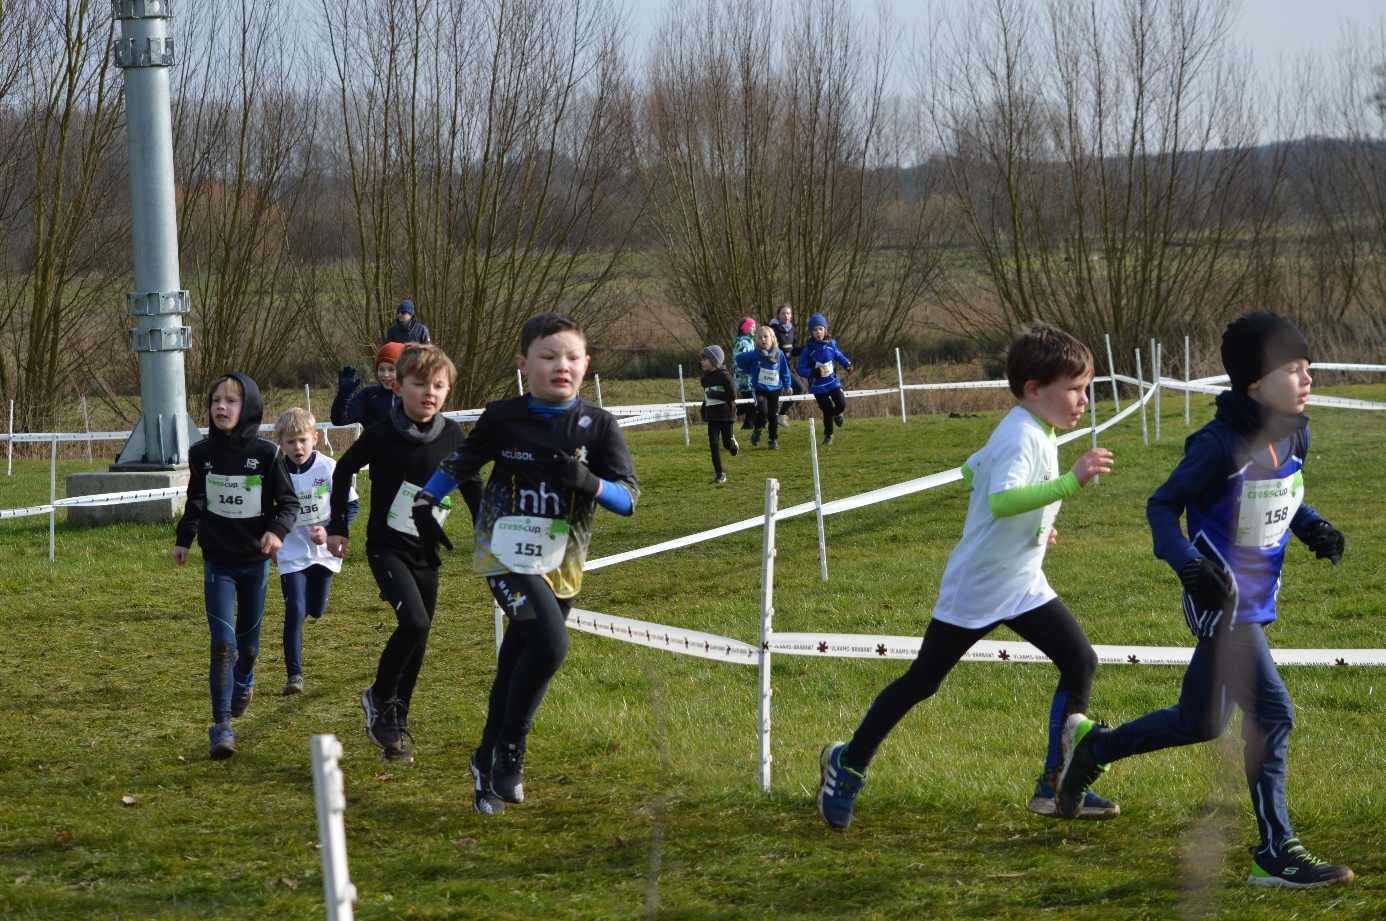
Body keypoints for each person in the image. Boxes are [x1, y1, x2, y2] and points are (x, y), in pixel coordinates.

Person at [1057, 312, 1354, 889]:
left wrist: (1313, 526)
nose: (1307, 378)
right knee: (1273, 716)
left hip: (1258, 598)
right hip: (1221, 601)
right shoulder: (1216, 445)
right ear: (1253, 384)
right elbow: (1162, 507)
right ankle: (1275, 852)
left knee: (1200, 721)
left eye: (1307, 367)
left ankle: (1094, 747)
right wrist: (1188, 564)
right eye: (1291, 369)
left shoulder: (1297, 431)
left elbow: (1283, 492)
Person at [816, 322, 1115, 830]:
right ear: (1034, 390)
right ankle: (846, 764)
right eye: (1074, 389)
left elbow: (972, 470)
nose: (1083, 400)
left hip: (1021, 583)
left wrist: (1038, 524)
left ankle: (1057, 785)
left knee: (1079, 660)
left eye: (1085, 388)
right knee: (922, 683)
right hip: (977, 586)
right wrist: (1069, 482)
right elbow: (999, 498)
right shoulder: (1022, 434)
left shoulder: (1032, 427)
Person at [413, 312, 639, 815]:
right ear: (523, 363)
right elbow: (459, 466)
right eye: (548, 356)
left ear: (586, 365)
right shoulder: (502, 417)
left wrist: (591, 484)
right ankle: (511, 751)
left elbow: (629, 499)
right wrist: (425, 502)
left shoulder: (599, 426)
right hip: (505, 557)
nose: (562, 365)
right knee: (552, 645)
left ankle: (484, 762)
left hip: (562, 569)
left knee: (516, 666)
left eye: (573, 357)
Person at [327, 344, 466, 763]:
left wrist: (492, 530)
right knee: (415, 621)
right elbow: (343, 469)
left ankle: (395, 725)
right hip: (386, 548)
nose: (430, 392)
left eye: (439, 386)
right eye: (420, 384)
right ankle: (379, 695)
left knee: (419, 637)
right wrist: (338, 526)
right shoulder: (383, 433)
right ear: (398, 385)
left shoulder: (454, 435)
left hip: (426, 548)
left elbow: (472, 483)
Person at [173, 373, 299, 760]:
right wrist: (184, 538)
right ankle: (221, 726)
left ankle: (246, 676)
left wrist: (277, 532)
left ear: (249, 408)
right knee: (222, 644)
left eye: (230, 401)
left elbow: (289, 503)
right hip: (218, 563)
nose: (221, 407)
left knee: (246, 645)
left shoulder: (267, 454)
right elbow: (196, 498)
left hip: (254, 563)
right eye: (214, 401)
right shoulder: (201, 453)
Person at [272, 408, 358, 697]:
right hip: (291, 552)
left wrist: (330, 528)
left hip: (324, 551)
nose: (297, 447)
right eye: (290, 442)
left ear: (315, 439)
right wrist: (273, 537)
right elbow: (266, 510)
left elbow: (352, 505)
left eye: (303, 440)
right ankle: (294, 675)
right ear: (280, 443)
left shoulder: (329, 468)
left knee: (316, 610)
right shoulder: (276, 470)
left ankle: (313, 605)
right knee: (295, 609)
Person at [797, 312, 854, 446]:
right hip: (818, 387)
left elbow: (838, 356)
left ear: (825, 330)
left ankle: (838, 414)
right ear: (811, 332)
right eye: (815, 330)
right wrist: (814, 372)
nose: (818, 332)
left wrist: (847, 364)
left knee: (841, 404)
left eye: (820, 329)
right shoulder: (807, 350)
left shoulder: (831, 344)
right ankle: (828, 435)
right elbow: (800, 369)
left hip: (833, 382)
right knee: (827, 411)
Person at [733, 325, 792, 449]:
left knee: (773, 416)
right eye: (760, 337)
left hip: (775, 389)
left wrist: (787, 386)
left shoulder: (779, 354)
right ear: (757, 341)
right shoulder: (754, 354)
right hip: (760, 389)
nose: (763, 339)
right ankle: (757, 430)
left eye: (766, 337)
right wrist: (749, 369)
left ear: (773, 338)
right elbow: (739, 359)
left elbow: (785, 371)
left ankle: (772, 440)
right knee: (762, 412)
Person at [332, 342, 403, 428]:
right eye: (381, 369)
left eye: (391, 369)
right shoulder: (369, 395)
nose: (385, 374)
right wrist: (343, 397)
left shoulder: (413, 396)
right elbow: (338, 420)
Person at [699, 344, 740, 484]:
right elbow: (707, 396)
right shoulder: (704, 379)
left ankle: (732, 443)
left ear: (714, 360)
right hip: (713, 417)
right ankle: (720, 473)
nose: (702, 362)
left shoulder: (725, 376)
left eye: (705, 359)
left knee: (726, 444)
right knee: (713, 444)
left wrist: (714, 394)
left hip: (726, 414)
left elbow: (732, 395)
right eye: (702, 359)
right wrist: (703, 408)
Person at [768, 304, 804, 427]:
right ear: (778, 315)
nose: (786, 316)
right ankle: (766, 419)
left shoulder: (792, 330)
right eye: (783, 313)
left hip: (786, 369)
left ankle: (780, 415)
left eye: (788, 313)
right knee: (774, 395)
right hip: (774, 368)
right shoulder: (772, 329)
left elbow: (792, 350)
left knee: (798, 388)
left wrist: (806, 350)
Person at [732, 317, 758, 429]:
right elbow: (739, 362)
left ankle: (748, 426)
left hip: (750, 379)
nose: (754, 329)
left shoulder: (750, 341)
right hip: (745, 380)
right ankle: (747, 426)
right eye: (752, 326)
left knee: (751, 404)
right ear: (745, 328)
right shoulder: (742, 343)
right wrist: (751, 370)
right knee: (752, 404)